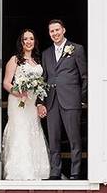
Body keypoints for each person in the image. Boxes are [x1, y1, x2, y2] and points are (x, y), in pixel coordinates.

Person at [36, 19, 87, 180]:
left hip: (71, 100)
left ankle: (75, 172)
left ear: (63, 30)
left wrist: (82, 98)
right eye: (52, 31)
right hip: (52, 101)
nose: (55, 33)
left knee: (74, 138)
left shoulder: (77, 49)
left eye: (57, 30)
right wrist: (40, 101)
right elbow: (43, 80)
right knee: (54, 138)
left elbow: (85, 76)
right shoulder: (46, 53)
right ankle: (55, 172)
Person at [1, 29, 51, 180]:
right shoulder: (15, 60)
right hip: (18, 102)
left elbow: (41, 85)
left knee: (33, 129)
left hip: (32, 103)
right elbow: (6, 83)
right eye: (25, 39)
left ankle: (37, 170)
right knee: (20, 130)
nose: (29, 42)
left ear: (35, 41)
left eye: (31, 39)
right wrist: (19, 92)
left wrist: (39, 103)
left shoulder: (37, 61)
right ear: (21, 43)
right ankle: (19, 171)